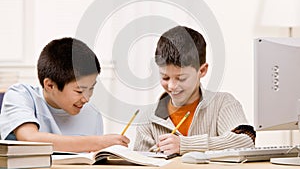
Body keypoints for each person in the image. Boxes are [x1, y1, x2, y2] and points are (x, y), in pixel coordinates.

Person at [134, 26, 255, 155]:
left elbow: (247, 140)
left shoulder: (223, 103)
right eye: (165, 77)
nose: (172, 86)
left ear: (202, 71)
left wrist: (185, 145)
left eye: (181, 78)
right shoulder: (148, 119)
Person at [0, 37, 129, 152]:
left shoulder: (92, 113)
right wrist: (98, 142)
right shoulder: (21, 95)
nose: (86, 99)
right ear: (50, 85)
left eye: (91, 89)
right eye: (79, 91)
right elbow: (29, 138)